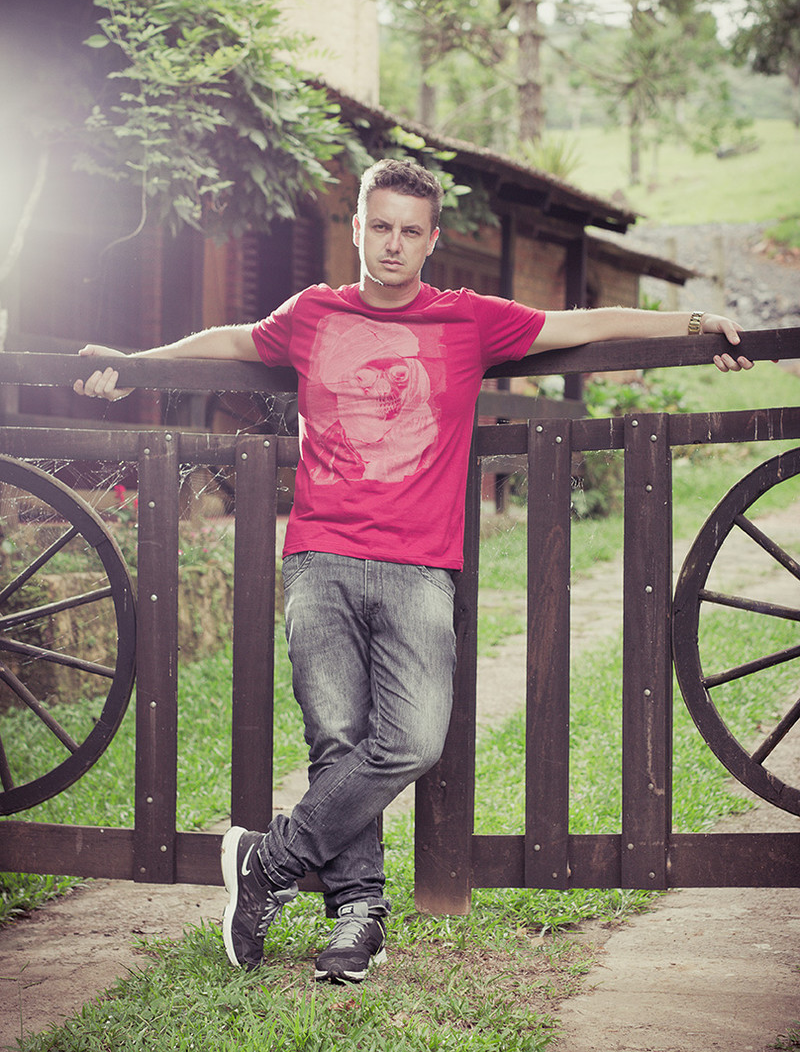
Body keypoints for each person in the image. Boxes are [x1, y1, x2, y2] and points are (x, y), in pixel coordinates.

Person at [74, 158, 753, 985]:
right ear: (357, 228)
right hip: (321, 557)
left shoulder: (468, 321)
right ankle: (358, 919)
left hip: (419, 568)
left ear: (431, 240)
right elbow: (227, 341)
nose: (393, 245)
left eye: (410, 231)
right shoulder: (312, 313)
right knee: (337, 741)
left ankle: (265, 862)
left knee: (413, 739)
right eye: (380, 226)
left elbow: (580, 323)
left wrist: (693, 325)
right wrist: (136, 362)